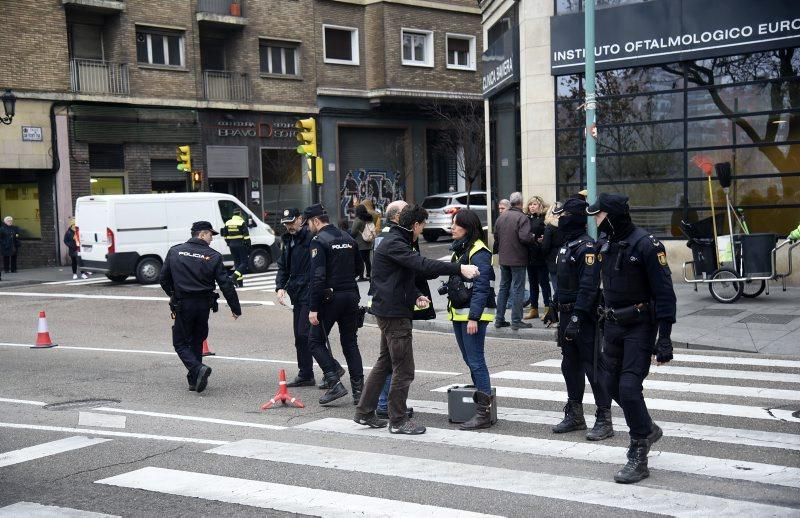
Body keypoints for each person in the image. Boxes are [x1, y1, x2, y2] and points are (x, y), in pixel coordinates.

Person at [354, 204, 479, 434]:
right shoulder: (395, 242)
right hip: (394, 314)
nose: (422, 231)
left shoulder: (395, 239)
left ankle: (364, 412)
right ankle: (398, 420)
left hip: (389, 309)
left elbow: (398, 276)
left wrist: (416, 295)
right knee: (404, 368)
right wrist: (459, 268)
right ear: (414, 225)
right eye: (421, 226)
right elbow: (421, 265)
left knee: (385, 363)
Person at [587, 193, 676, 484]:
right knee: (608, 383)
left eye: (599, 215)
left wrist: (665, 338)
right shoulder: (607, 243)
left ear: (611, 215)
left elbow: (665, 294)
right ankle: (647, 427)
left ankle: (638, 451)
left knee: (628, 387)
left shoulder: (647, 245)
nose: (596, 221)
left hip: (640, 325)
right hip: (612, 323)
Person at [543, 197, 613, 441]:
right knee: (569, 365)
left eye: (563, 216)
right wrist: (553, 305)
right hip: (566, 313)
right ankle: (575, 414)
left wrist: (577, 317)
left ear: (573, 217)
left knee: (592, 367)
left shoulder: (587, 247)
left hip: (582, 316)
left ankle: (604, 418)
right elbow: (563, 282)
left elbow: (588, 287)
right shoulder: (567, 245)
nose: (559, 220)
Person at [159, 221, 241, 393]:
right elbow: (226, 284)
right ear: (202, 234)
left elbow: (163, 279)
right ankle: (194, 380)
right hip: (203, 305)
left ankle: (197, 369)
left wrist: (173, 294)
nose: (211, 239)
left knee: (180, 342)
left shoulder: (175, 251)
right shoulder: (214, 256)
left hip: (183, 304)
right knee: (196, 340)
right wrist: (235, 307)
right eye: (211, 235)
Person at [275, 208, 344, 388]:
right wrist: (280, 286)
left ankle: (332, 368)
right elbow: (283, 266)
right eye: (285, 223)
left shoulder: (312, 238)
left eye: (291, 222)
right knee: (299, 335)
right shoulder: (288, 240)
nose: (288, 226)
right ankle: (305, 374)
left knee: (307, 334)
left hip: (310, 291)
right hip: (296, 292)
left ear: (300, 219)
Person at [305, 203, 365, 405]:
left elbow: (317, 277)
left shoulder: (319, 241)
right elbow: (360, 267)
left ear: (315, 221)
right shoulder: (348, 238)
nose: (308, 228)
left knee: (314, 341)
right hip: (351, 296)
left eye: (309, 224)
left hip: (330, 299)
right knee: (350, 343)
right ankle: (359, 392)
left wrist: (313, 308)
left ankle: (334, 382)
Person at [447, 209, 497, 430]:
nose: (452, 228)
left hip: (472, 316)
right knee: (470, 360)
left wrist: (474, 318)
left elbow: (482, 287)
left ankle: (483, 413)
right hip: (461, 314)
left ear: (467, 227)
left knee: (476, 362)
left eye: (456, 224)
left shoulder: (479, 252)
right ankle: (481, 396)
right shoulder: (461, 250)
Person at [493, 192, 534, 330]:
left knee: (504, 288)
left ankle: (499, 319)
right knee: (518, 289)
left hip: (504, 258)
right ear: (521, 203)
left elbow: (496, 239)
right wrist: (533, 237)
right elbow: (525, 237)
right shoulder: (522, 217)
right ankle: (516, 320)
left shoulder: (501, 217)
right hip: (518, 258)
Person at [525, 196, 551, 320]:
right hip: (529, 256)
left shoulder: (544, 219)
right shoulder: (527, 218)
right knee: (532, 284)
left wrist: (543, 239)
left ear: (540, 205)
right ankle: (533, 308)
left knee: (544, 283)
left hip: (541, 256)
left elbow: (549, 234)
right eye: (530, 204)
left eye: (534, 204)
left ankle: (548, 308)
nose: (532, 206)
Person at [220, 209, 251, 287]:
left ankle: (239, 283)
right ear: (240, 214)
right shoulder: (241, 222)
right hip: (241, 244)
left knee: (237, 263)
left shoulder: (227, 222)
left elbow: (225, 235)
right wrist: (248, 246)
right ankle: (234, 277)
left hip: (232, 245)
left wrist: (229, 243)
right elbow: (246, 237)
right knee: (244, 263)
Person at [540, 203, 563, 299]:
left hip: (553, 259)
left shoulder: (550, 227)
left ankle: (558, 304)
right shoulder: (566, 225)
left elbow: (545, 246)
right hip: (565, 257)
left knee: (555, 285)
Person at [350, 204, 376, 281]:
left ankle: (361, 276)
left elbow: (353, 231)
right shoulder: (369, 218)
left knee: (361, 260)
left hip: (360, 243)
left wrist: (351, 238)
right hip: (368, 242)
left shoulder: (358, 219)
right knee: (367, 260)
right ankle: (368, 275)